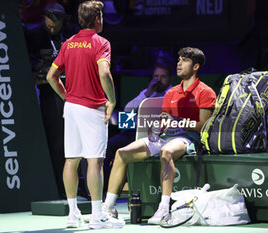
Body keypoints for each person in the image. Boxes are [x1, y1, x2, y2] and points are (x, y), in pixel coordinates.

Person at [103, 47, 217, 224]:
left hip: (188, 138)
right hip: (166, 136)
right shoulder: (171, 93)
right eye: (178, 59)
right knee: (121, 153)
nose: (179, 63)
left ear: (195, 67)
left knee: (166, 151)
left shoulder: (205, 92)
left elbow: (202, 126)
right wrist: (156, 127)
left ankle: (163, 208)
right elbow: (165, 121)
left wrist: (177, 120)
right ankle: (108, 207)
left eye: (184, 60)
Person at [46, 1, 125, 229]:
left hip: (70, 108)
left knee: (71, 159)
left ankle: (72, 215)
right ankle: (97, 215)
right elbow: (104, 73)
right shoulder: (102, 43)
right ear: (98, 18)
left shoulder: (68, 43)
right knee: (95, 161)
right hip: (92, 108)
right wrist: (112, 100)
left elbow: (52, 76)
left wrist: (67, 97)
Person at [24, 2, 80, 199]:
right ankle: (59, 187)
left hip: (73, 89)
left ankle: (77, 185)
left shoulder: (72, 34)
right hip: (48, 92)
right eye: (49, 26)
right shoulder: (33, 35)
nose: (52, 29)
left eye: (55, 27)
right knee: (57, 141)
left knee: (74, 140)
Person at [103, 61, 173, 195]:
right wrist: (147, 94)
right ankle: (104, 189)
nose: (158, 80)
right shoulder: (147, 93)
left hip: (160, 135)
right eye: (155, 76)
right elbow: (127, 110)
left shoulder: (172, 93)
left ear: (170, 78)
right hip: (137, 131)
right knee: (109, 146)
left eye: (162, 77)